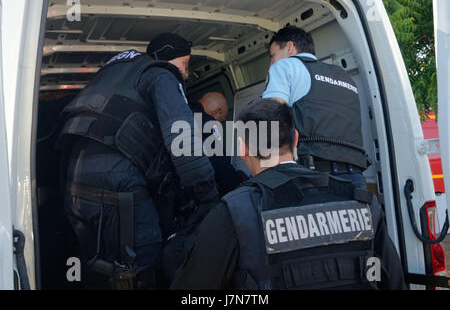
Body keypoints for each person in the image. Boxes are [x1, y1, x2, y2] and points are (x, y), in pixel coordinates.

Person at [170, 99, 406, 290]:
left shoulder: (234, 213)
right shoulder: (361, 200)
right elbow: (394, 282)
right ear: (295, 139)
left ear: (242, 148)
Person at [58, 33, 219, 289]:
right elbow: (183, 142)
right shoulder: (161, 75)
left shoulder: (113, 73)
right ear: (169, 57)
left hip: (74, 186)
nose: (186, 74)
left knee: (97, 265)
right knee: (145, 264)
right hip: (118, 188)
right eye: (186, 64)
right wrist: (208, 198)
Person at [263, 26, 369, 187]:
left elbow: (270, 117)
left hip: (309, 175)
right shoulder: (345, 77)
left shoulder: (285, 66)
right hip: (355, 176)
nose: (271, 64)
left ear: (290, 47)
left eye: (273, 56)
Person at [189, 92, 244, 195]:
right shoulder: (208, 122)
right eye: (220, 121)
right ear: (217, 112)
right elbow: (220, 165)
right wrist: (240, 188)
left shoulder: (183, 111)